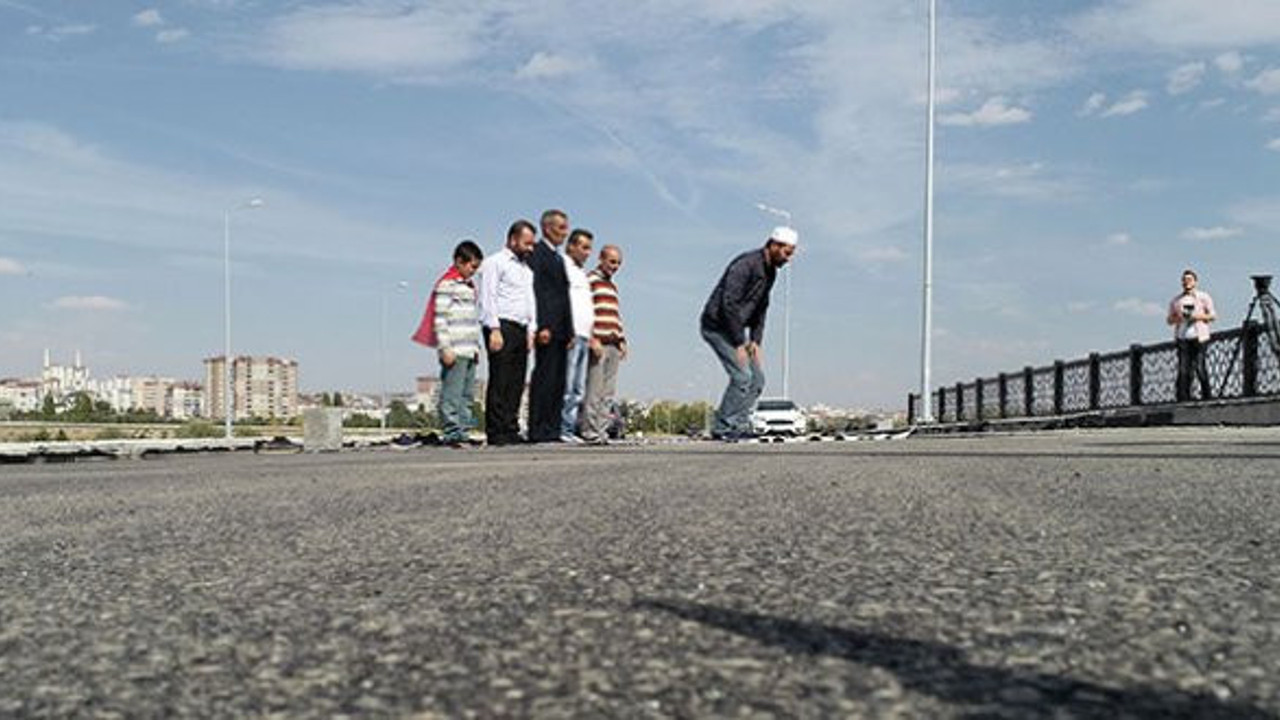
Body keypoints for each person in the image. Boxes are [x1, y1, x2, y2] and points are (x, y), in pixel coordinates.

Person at [699, 226, 797, 440]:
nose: (789, 259)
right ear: (774, 245)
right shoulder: (746, 264)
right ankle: (723, 426)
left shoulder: (770, 272)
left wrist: (755, 340)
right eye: (787, 253)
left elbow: (761, 307)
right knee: (742, 376)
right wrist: (738, 342)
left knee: (757, 380)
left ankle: (739, 425)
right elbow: (729, 303)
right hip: (717, 326)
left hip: (736, 330)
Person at [411, 240, 484, 446]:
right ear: (459, 262)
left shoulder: (470, 288)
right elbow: (440, 319)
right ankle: (451, 430)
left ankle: (463, 429)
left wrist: (476, 347)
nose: (473, 271)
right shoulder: (447, 285)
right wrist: (445, 348)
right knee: (452, 393)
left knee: (467, 394)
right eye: (471, 266)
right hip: (454, 349)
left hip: (469, 348)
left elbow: (472, 320)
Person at [477, 220, 537, 446]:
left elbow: (530, 301)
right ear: (513, 239)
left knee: (516, 381)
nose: (530, 248)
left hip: (521, 328)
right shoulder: (495, 263)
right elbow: (488, 297)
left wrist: (531, 329)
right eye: (526, 243)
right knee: (500, 379)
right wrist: (493, 328)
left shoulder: (526, 270)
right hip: (501, 326)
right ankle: (496, 431)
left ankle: (511, 427)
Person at [527, 209, 573, 443]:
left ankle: (552, 428)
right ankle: (538, 428)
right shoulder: (538, 253)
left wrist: (571, 331)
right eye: (561, 228)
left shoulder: (558, 257)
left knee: (558, 382)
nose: (565, 233)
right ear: (547, 228)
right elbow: (538, 292)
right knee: (544, 378)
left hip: (562, 331)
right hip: (547, 328)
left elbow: (564, 297)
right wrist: (542, 325)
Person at [581, 244, 627, 444]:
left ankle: (601, 430)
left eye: (618, 263)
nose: (615, 266)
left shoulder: (612, 287)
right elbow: (585, 311)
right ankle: (590, 430)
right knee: (594, 389)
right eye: (612, 261)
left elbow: (616, 315)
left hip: (614, 343)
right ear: (601, 259)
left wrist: (622, 339)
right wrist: (592, 339)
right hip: (598, 342)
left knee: (608, 392)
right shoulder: (590, 281)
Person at [560, 229, 595, 443]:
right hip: (570, 333)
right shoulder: (563, 267)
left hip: (584, 335)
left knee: (577, 387)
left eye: (589, 248)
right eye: (583, 247)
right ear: (571, 246)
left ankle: (569, 427)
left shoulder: (582, 273)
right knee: (566, 383)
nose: (587, 252)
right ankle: (561, 427)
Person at [1167, 268, 1216, 401]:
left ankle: (1207, 397)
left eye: (1189, 280)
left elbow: (1212, 316)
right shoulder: (1176, 300)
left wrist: (1196, 316)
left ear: (1195, 282)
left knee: (1200, 367)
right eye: (1184, 280)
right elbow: (1169, 320)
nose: (1186, 283)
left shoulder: (1203, 297)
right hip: (1182, 337)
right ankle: (1184, 398)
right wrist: (1180, 318)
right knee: (1183, 370)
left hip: (1200, 337)